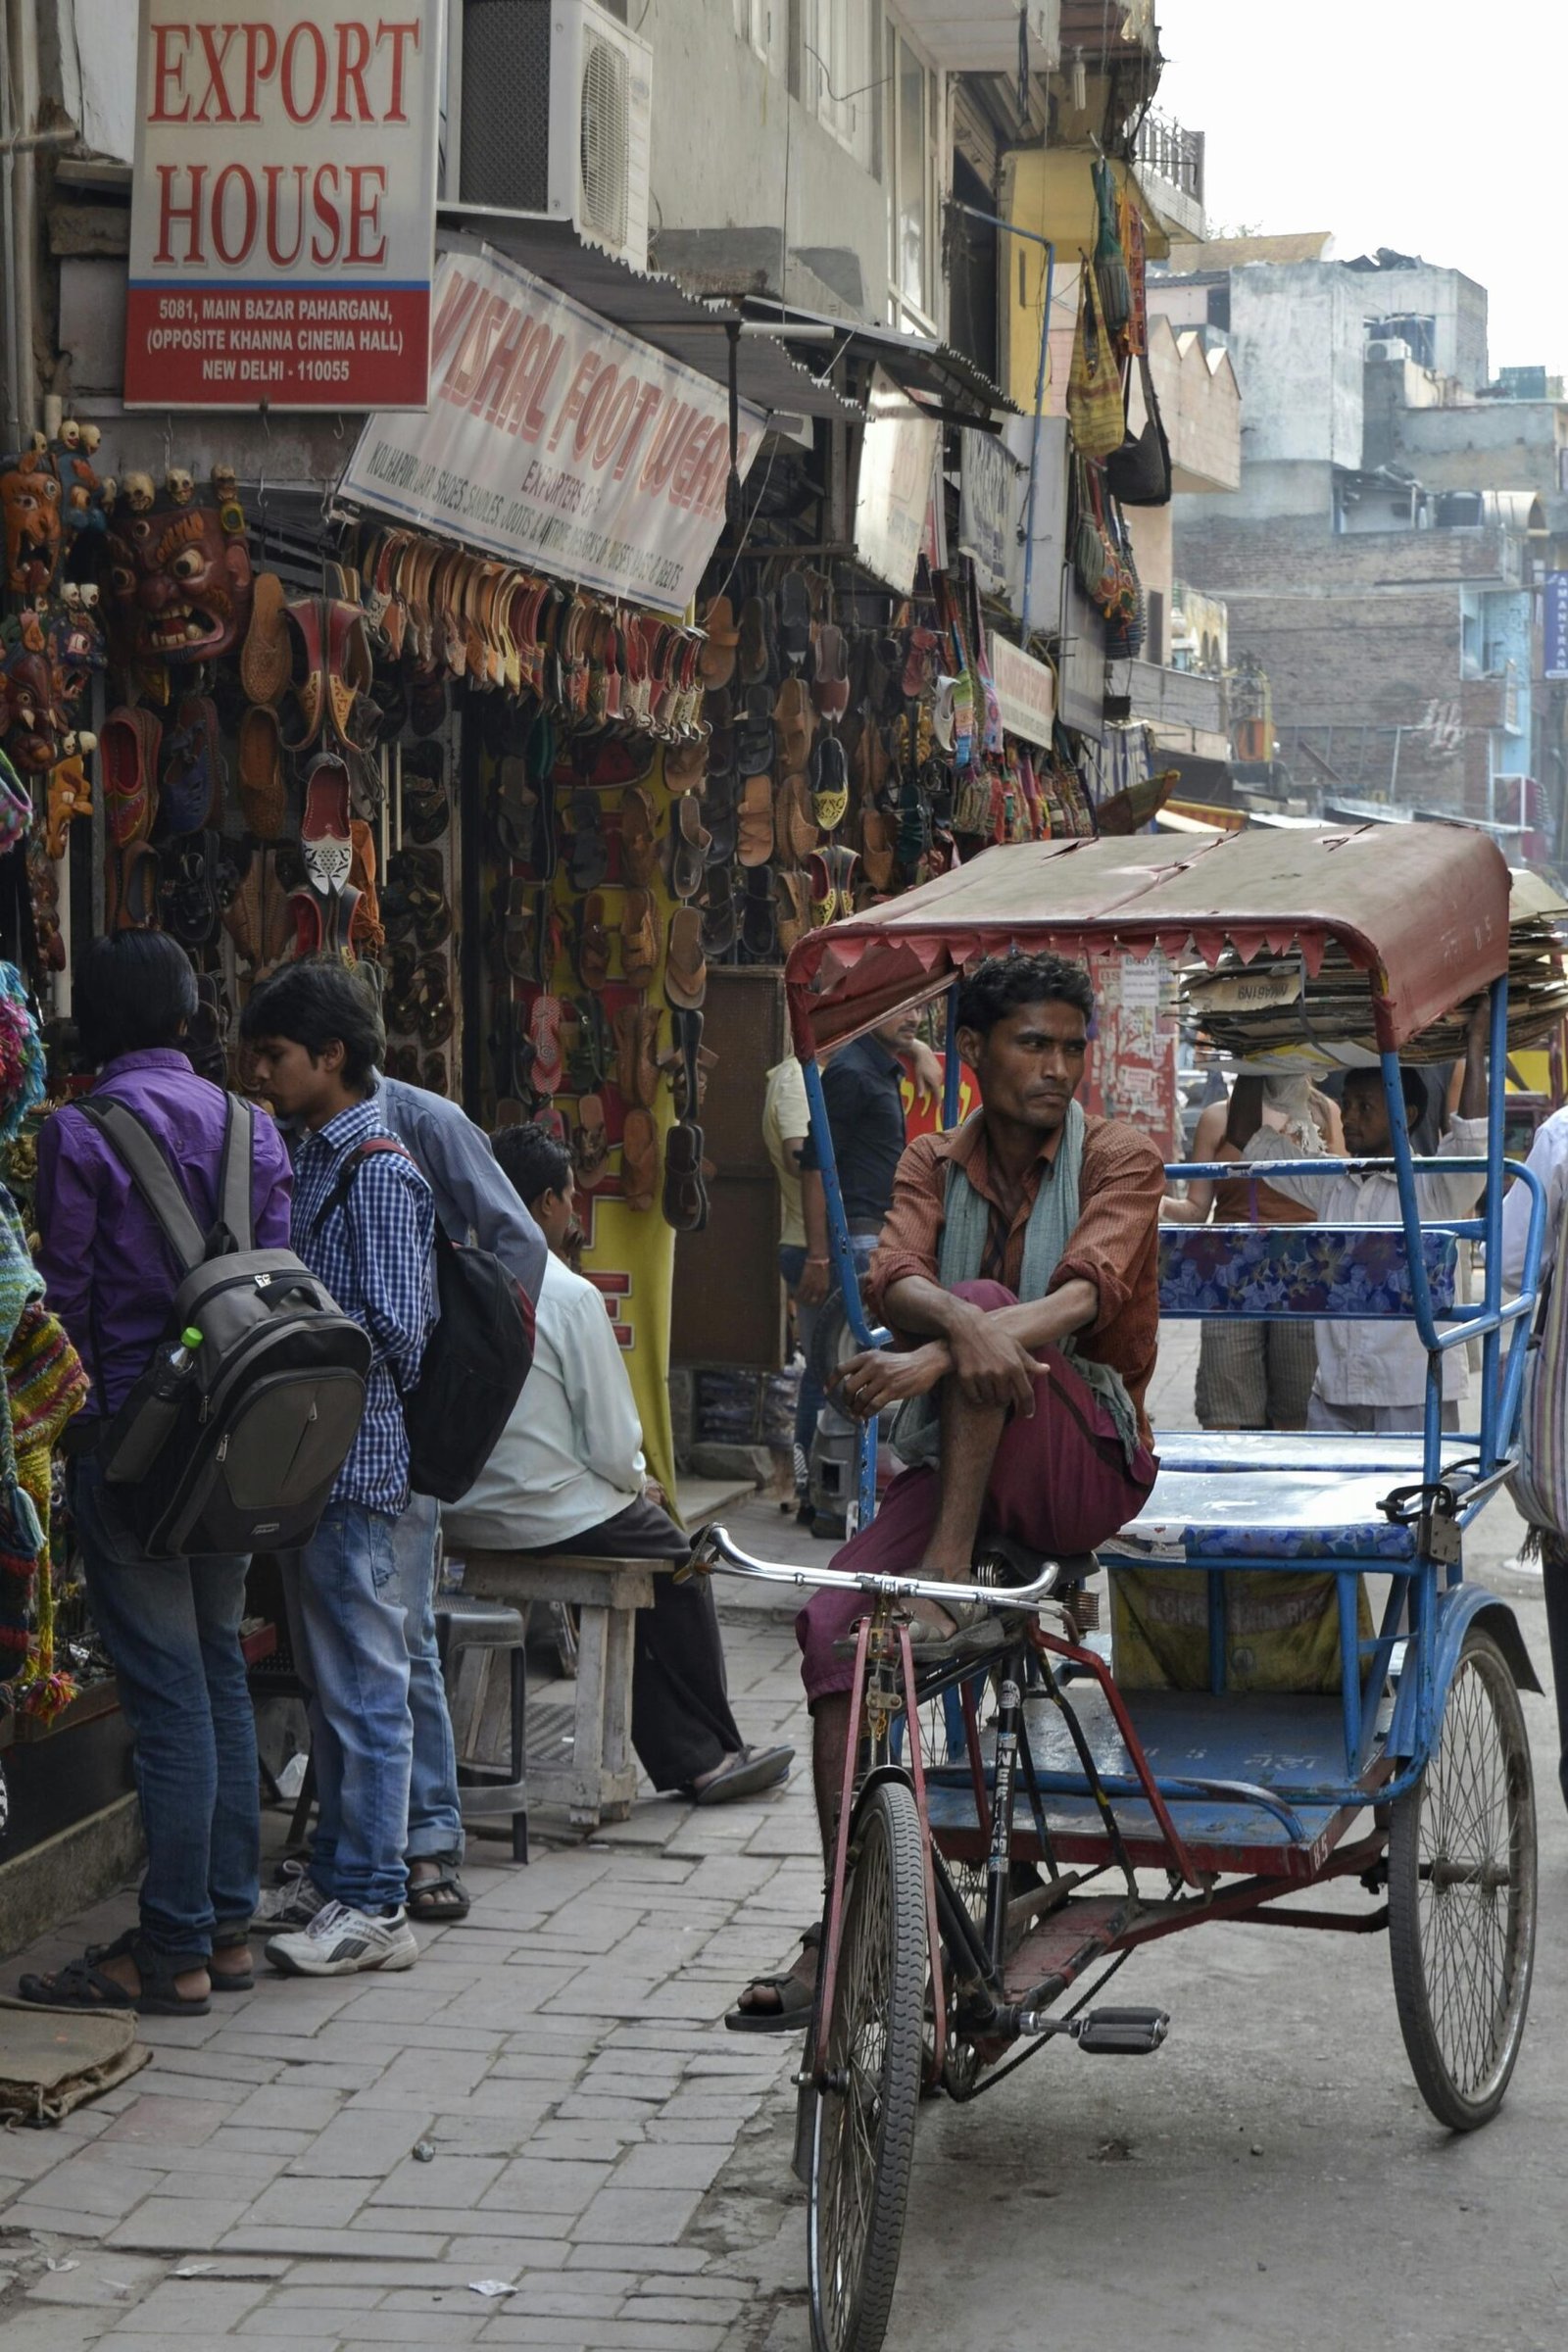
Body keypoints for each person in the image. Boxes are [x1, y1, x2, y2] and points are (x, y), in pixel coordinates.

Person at [733, 952, 1163, 2028]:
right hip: (961, 1462)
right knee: (833, 1631)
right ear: (971, 1053)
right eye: (1033, 1043)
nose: (1058, 1067)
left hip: (1081, 1461)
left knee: (971, 1301)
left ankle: (943, 1576)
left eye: (1072, 1046)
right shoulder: (932, 1157)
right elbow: (891, 1273)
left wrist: (935, 1352)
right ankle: (848, 1913)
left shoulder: (1119, 1156)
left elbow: (1077, 1299)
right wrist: (951, 1327)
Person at [21, 933, 292, 2015]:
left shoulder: (78, 1133)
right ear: (185, 1019)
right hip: (234, 1436)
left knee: (171, 1699)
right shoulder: (253, 1126)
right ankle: (225, 1930)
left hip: (132, 1446)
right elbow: (268, 1280)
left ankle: (171, 1946)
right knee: (218, 1672)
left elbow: (66, 1305)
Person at [444, 1124, 794, 1804]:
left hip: (462, 1509)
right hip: (545, 1510)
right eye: (571, 1200)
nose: (575, 1214)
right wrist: (642, 1483)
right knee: (682, 1565)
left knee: (650, 1569)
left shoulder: (454, 1272)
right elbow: (610, 1441)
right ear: (545, 1204)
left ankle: (697, 1754)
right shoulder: (564, 1293)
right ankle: (712, 1752)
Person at [240, 962, 435, 1977]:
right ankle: (338, 1872)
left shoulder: (380, 1168)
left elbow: (399, 1334)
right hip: (317, 1457)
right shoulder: (319, 1152)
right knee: (331, 1686)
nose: (262, 1074)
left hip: (356, 1461)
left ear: (330, 1057)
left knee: (363, 1686)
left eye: (276, 1056)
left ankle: (377, 1903)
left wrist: (308, 1335)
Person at [368, 1064, 547, 1925]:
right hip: (339, 1418)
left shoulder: (424, 1120)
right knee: (363, 1634)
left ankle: (429, 1840)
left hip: (409, 1420)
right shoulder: (288, 1125)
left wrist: (468, 1376)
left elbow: (520, 1241)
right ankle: (371, 1842)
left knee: (403, 1632)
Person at [1241, 1004, 1490, 1434]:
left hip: (1411, 1393)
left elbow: (1472, 1136)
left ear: (1406, 1115)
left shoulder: (1436, 1186)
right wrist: (1249, 1051)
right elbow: (1246, 1138)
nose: (1349, 1118)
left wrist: (1476, 1045)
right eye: (1347, 1105)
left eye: (1364, 1107)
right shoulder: (1329, 1182)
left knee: (1414, 1499)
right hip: (1335, 1391)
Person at [1163, 1074, 1341, 1431]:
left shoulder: (1324, 1114)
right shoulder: (1218, 1117)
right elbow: (1198, 1209)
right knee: (1228, 1405)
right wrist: (1156, 1202)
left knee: (1300, 1406)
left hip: (1303, 1275)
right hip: (1233, 1276)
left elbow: (1340, 1200)